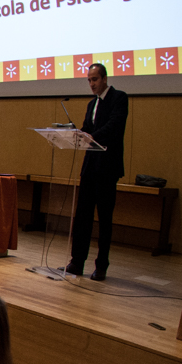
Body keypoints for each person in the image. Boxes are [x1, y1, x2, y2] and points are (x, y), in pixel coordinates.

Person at [67, 61, 130, 281]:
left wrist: (93, 136)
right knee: (83, 215)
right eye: (89, 80)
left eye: (95, 80)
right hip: (90, 166)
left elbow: (115, 125)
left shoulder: (119, 98)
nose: (91, 84)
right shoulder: (91, 104)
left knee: (104, 218)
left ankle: (101, 265)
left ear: (104, 79)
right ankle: (76, 262)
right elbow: (87, 129)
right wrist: (77, 134)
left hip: (107, 168)